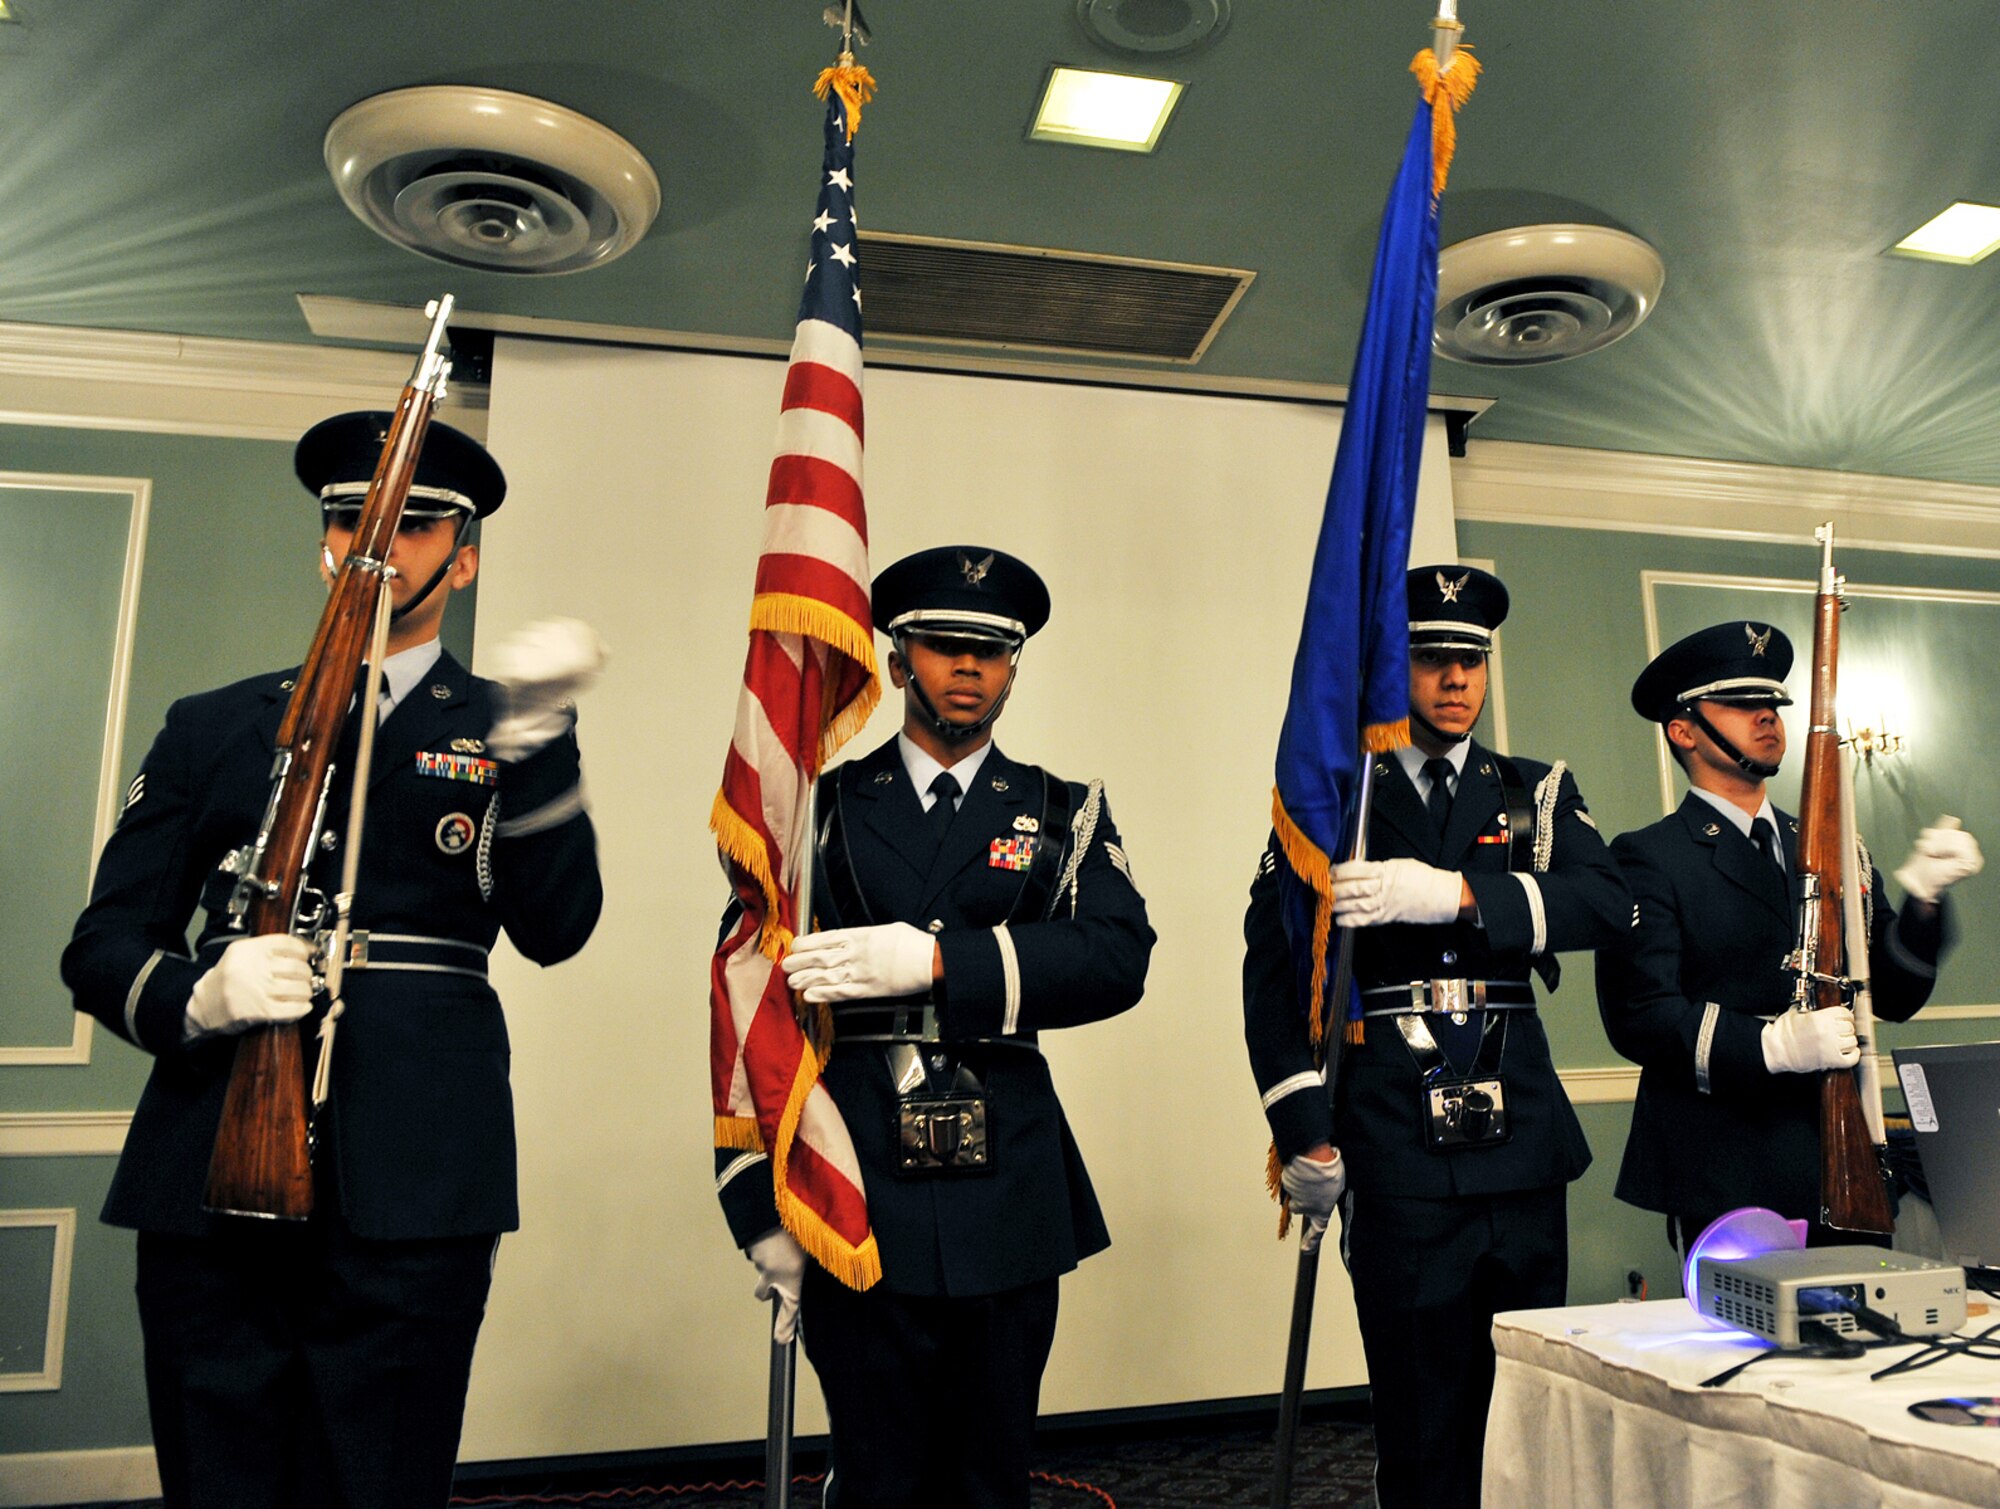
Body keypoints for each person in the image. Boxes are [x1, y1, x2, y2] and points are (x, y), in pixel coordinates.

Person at [61, 412, 605, 1509]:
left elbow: (557, 928)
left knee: (382, 1474)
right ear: (324, 540)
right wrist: (197, 996)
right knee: (220, 1466)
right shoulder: (215, 726)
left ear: (463, 554)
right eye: (353, 519)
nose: (376, 547)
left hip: (415, 1169)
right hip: (212, 1155)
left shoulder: (504, 728)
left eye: (409, 526)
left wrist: (541, 748)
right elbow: (103, 944)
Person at [714, 545, 1154, 1509]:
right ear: (899, 656)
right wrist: (756, 1200)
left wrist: (942, 962)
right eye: (945, 646)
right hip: (858, 1177)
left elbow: (1120, 956)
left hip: (1008, 1180)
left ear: (1013, 665)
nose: (969, 668)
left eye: (992, 651)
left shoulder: (1059, 809)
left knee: (993, 1474)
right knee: (879, 1474)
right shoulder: (814, 809)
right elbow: (743, 1001)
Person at [1241, 564, 1629, 1509]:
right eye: (1431, 658)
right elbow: (1272, 972)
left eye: (1472, 659)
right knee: (1424, 1420)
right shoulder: (1336, 799)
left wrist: (1456, 892)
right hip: (1397, 1140)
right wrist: (1304, 1130)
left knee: (1531, 1409)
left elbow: (1609, 901)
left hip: (1523, 1139)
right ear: (1388, 669)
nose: (1457, 679)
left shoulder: (1533, 791)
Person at [1596, 620, 1980, 1250]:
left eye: (1772, 703)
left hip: (1841, 1153)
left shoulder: (1829, 845)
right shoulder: (1650, 856)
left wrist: (1923, 899)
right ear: (1683, 729)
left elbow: (1895, 995)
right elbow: (1642, 1015)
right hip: (1728, 1159)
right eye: (1742, 705)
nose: (1767, 718)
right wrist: (1769, 1046)